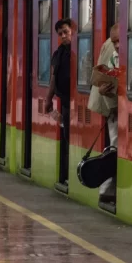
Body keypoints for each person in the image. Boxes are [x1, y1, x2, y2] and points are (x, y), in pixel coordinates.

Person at [87, 24, 120, 203]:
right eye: (115, 42)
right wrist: (105, 93)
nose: (117, 44)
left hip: (113, 105)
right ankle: (107, 188)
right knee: (114, 146)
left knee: (114, 145)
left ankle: (108, 188)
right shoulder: (114, 48)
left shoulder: (114, 43)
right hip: (113, 107)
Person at [45, 19, 73, 182]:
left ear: (72, 31)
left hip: (75, 100)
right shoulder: (59, 53)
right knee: (67, 135)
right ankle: (67, 174)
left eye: (66, 32)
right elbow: (54, 77)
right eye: (60, 34)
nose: (63, 36)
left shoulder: (78, 51)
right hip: (65, 102)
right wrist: (49, 99)